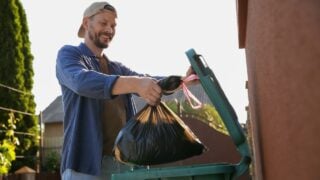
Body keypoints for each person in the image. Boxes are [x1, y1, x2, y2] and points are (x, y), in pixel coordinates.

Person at [56, 2, 194, 180]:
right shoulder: (69, 55)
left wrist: (184, 80)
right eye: (103, 23)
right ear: (86, 23)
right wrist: (135, 84)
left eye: (113, 26)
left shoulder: (116, 68)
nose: (109, 30)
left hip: (123, 164)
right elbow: (81, 82)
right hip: (84, 166)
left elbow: (150, 81)